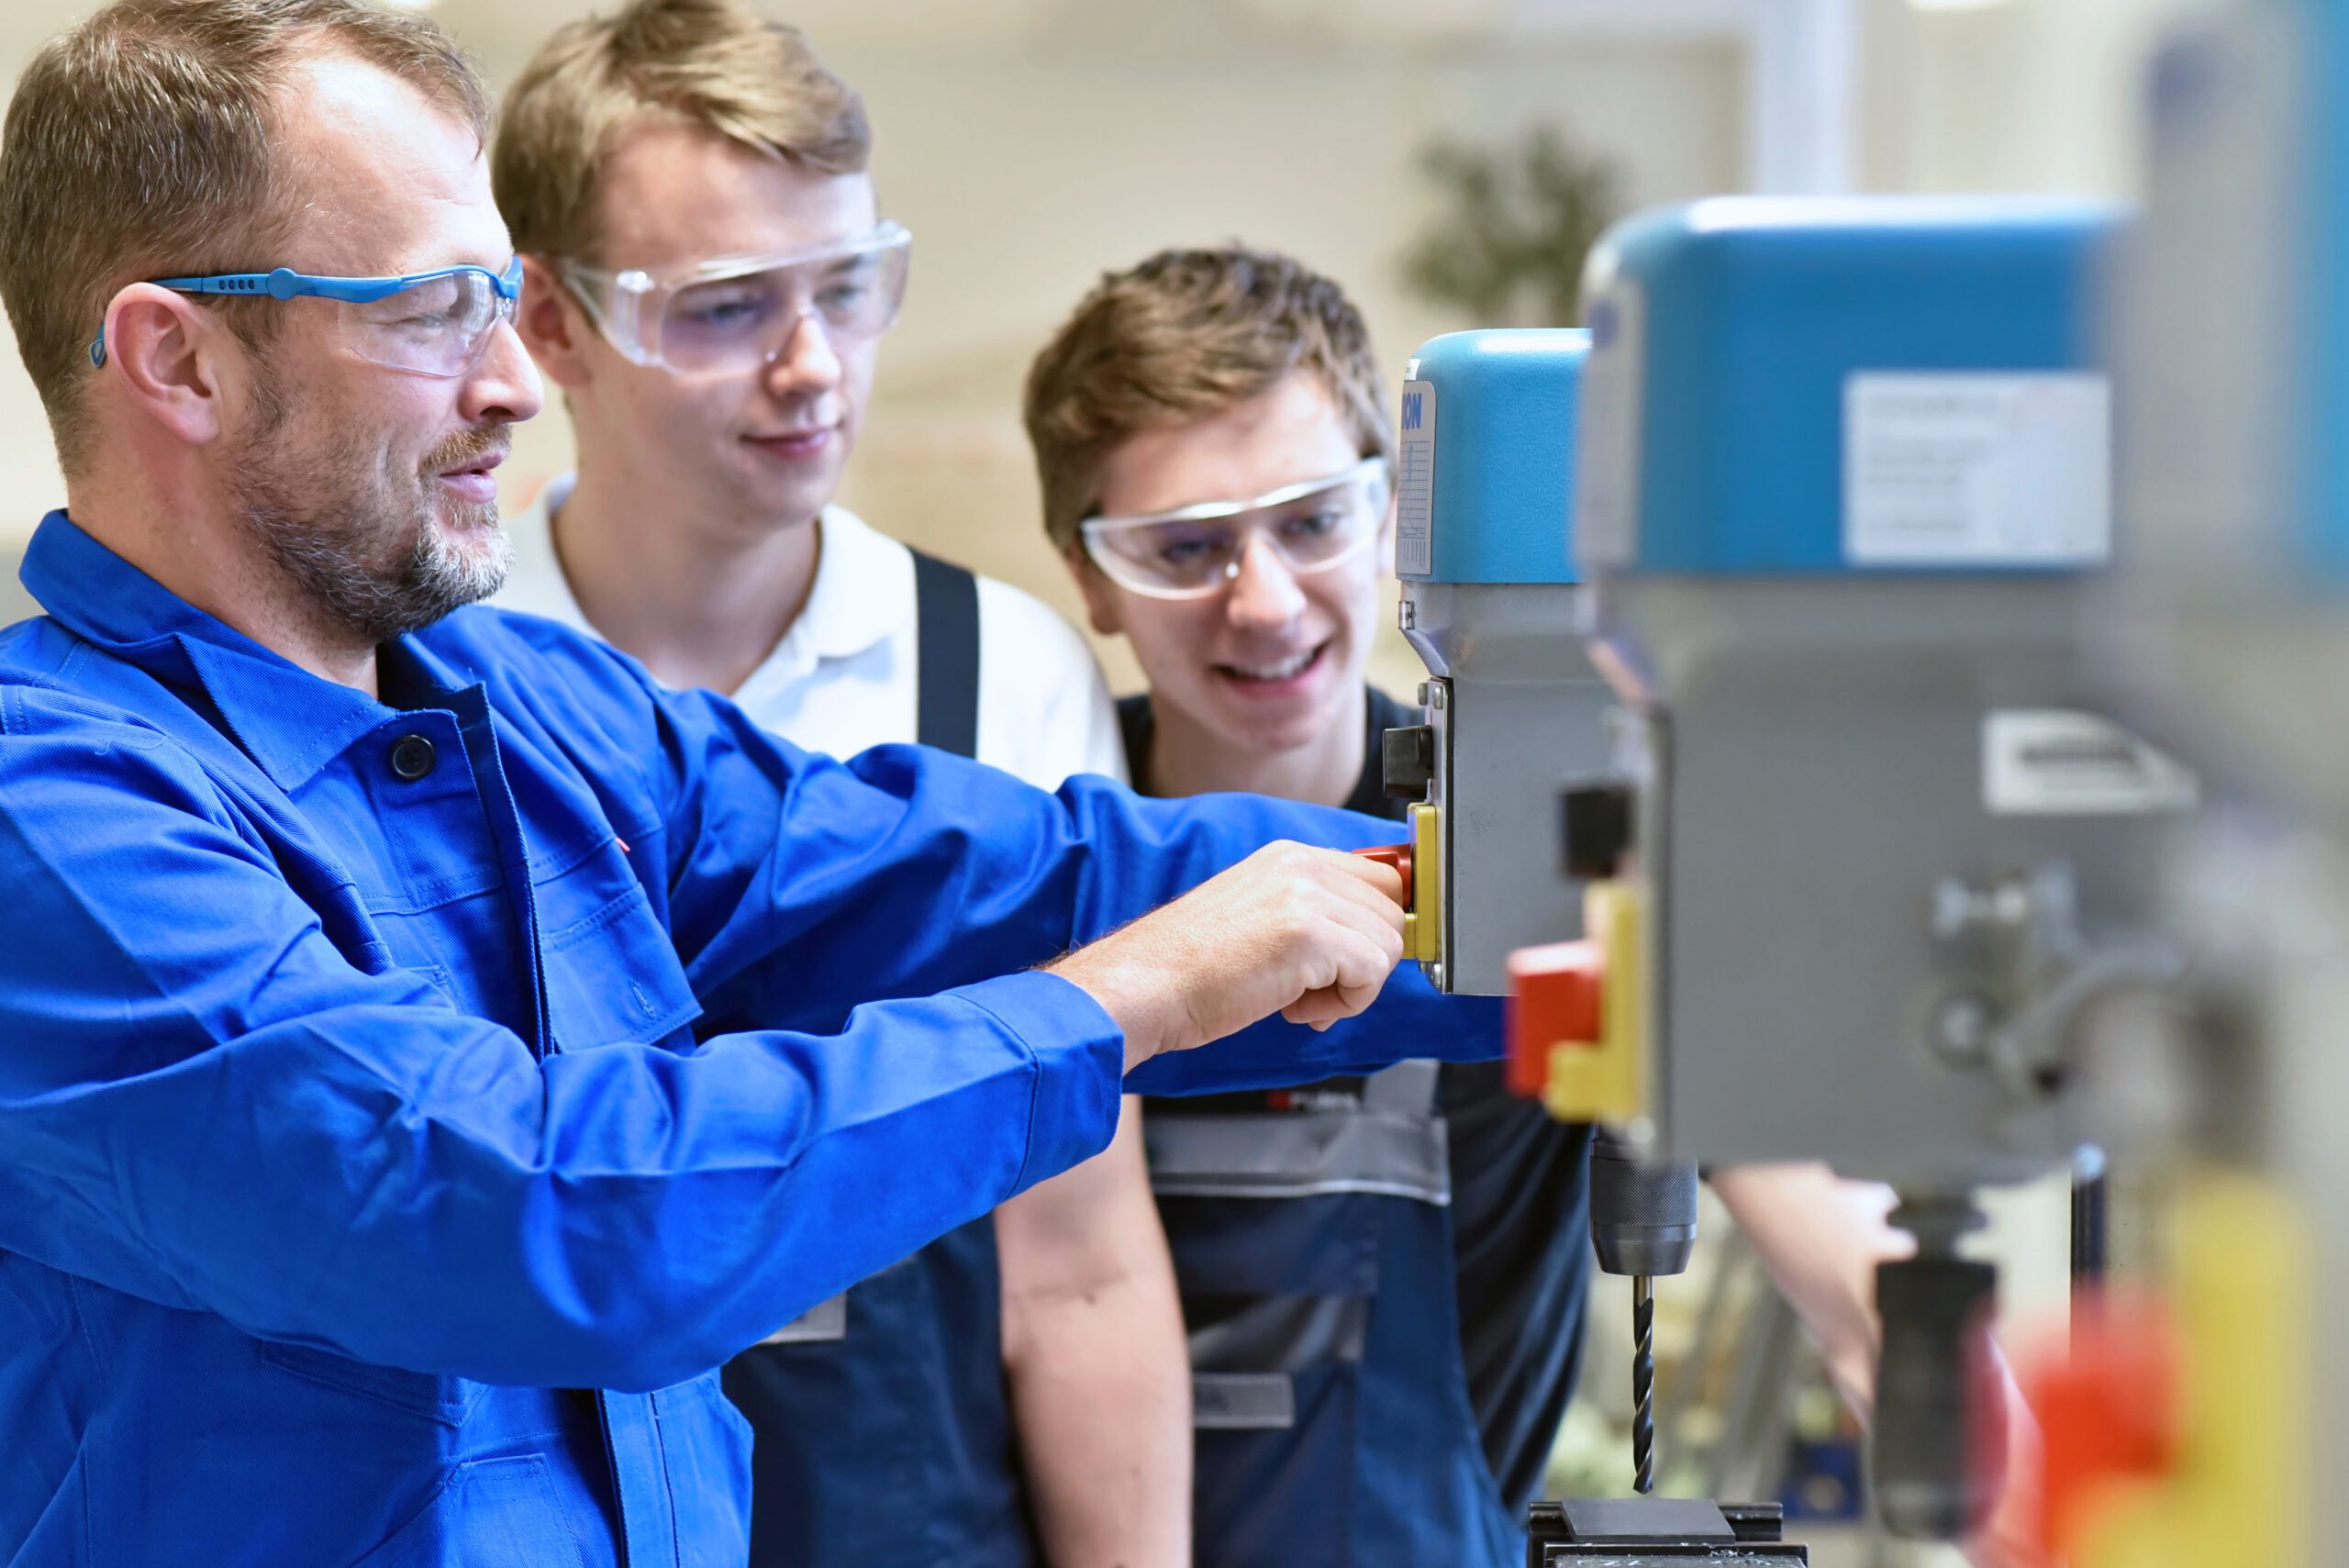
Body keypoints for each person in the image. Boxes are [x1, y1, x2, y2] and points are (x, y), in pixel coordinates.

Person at [0, 9, 1499, 1567]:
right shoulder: (56, 812)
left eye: (502, 300)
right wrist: (1129, 997)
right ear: (176, 357)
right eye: (438, 309)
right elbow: (542, 1215)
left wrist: (1597, 911)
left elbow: (1018, 880)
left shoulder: (534, 708)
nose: (515, 383)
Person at [1024, 246, 2032, 1565]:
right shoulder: (1022, 868)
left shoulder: (1539, 840)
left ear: (1396, 515)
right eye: (1186, 546)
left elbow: (1826, 1236)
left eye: (1312, 519)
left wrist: (1971, 1419)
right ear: (1092, 578)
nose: (1263, 597)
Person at [488, 6, 1184, 1562]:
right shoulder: (431, 685)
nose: (813, 368)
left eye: (849, 287)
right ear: (548, 325)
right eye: (730, 307)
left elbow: (1075, 1264)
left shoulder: (994, 671)